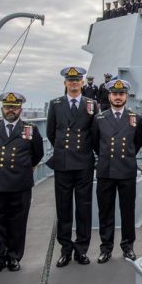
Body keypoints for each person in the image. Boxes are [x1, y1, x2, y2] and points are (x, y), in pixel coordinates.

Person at [0, 92, 44, 274]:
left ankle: (14, 257)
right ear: (2, 109)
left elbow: (38, 153)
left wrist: (22, 170)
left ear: (20, 109)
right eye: (8, 107)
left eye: (14, 107)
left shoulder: (29, 129)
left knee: (17, 222)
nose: (11, 110)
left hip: (19, 184)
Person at [46, 67, 99, 267]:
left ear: (82, 83)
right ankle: (66, 249)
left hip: (84, 163)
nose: (74, 83)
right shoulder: (56, 104)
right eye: (71, 80)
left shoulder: (91, 104)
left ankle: (82, 249)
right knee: (64, 207)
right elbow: (51, 132)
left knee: (84, 208)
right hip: (63, 162)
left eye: (77, 80)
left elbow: (94, 133)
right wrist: (63, 151)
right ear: (65, 83)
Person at [91, 79, 142, 263]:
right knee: (105, 210)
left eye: (121, 94)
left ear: (126, 97)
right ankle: (106, 247)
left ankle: (128, 246)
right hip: (106, 170)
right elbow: (96, 143)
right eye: (115, 94)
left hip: (126, 170)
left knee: (127, 210)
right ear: (109, 96)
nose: (118, 97)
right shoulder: (99, 118)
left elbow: (136, 143)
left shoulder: (135, 118)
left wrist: (126, 157)